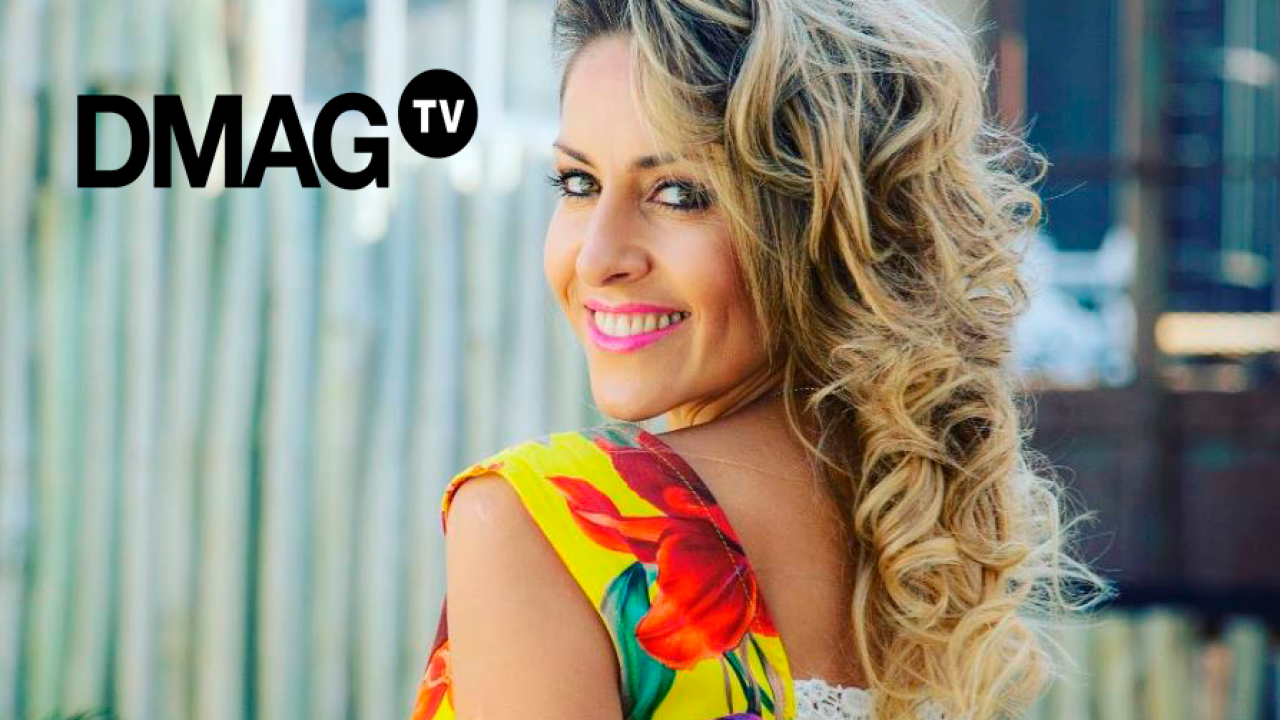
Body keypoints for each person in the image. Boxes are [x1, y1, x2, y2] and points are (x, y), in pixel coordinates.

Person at [407, 1, 1111, 719]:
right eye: (578, 183)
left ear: (821, 223)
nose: (596, 258)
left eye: (679, 194)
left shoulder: (544, 519)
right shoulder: (921, 541)